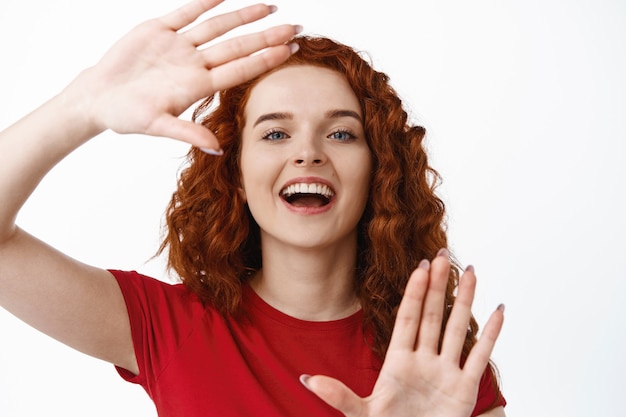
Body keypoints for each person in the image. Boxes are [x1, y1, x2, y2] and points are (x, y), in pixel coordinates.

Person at [0, 0, 506, 416]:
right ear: (236, 174)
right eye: (276, 133)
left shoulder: (438, 365)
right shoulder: (168, 326)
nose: (307, 152)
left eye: (341, 133)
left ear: (379, 172)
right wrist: (83, 103)